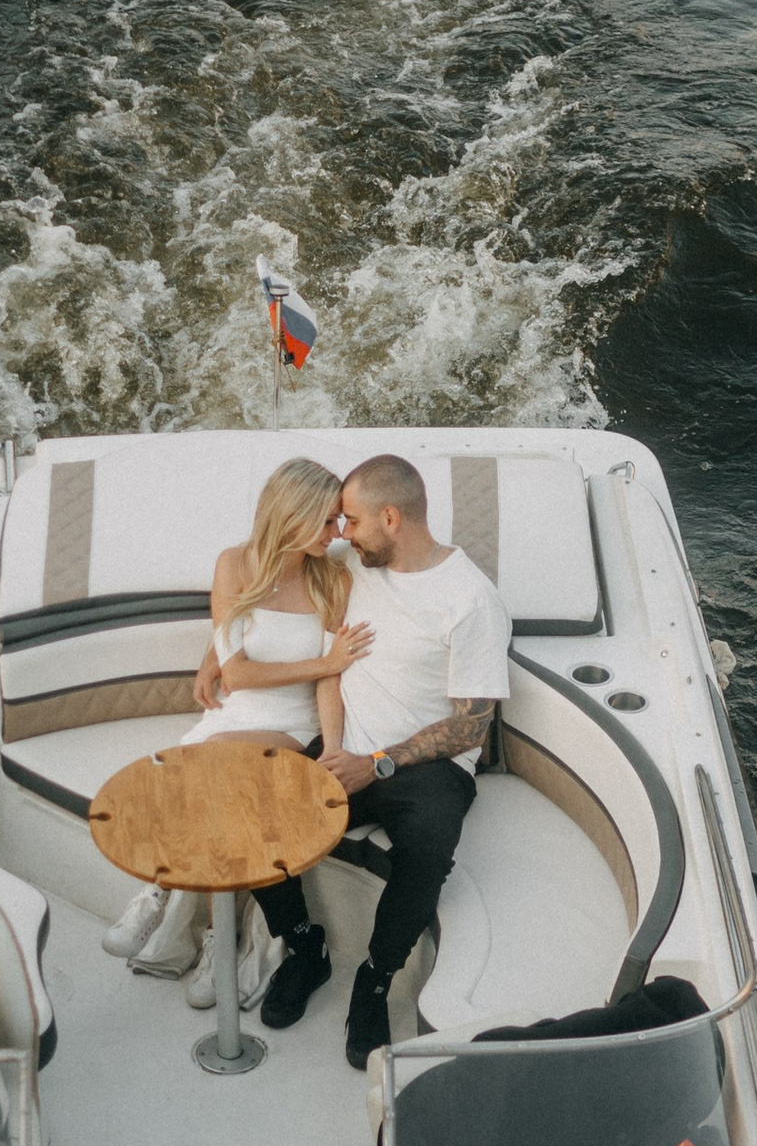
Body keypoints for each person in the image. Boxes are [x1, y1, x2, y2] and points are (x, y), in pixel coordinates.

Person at [256, 450, 511, 1067]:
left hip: (427, 767)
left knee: (426, 849)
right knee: (259, 816)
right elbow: (258, 572)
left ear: (391, 517)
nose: (340, 533)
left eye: (351, 520)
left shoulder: (471, 600)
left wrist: (378, 763)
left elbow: (472, 724)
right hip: (343, 746)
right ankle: (303, 947)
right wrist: (218, 655)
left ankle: (374, 980)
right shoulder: (351, 563)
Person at [103, 455, 372, 1010]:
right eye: (324, 522)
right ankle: (204, 932)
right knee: (201, 780)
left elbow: (325, 687)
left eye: (337, 522)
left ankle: (162, 890)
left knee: (208, 768)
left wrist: (336, 747)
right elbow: (239, 672)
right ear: (289, 516)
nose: (336, 533)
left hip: (291, 723)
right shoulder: (234, 565)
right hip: (234, 710)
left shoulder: (334, 578)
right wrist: (322, 663)